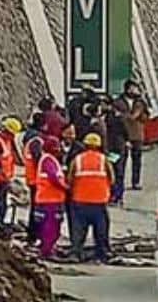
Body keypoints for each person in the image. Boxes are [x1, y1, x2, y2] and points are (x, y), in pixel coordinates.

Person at [68, 133, 114, 264]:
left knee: (78, 228)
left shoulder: (77, 159)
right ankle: (102, 252)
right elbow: (112, 178)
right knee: (101, 229)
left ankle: (76, 252)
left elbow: (70, 179)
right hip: (99, 201)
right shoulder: (103, 159)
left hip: (80, 199)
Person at [33, 136, 68, 259]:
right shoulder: (48, 160)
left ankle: (47, 247)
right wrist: (66, 188)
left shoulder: (48, 159)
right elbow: (53, 177)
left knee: (48, 226)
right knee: (51, 227)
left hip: (48, 198)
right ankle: (47, 250)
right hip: (50, 199)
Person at [118, 81, 150, 192]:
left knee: (137, 159)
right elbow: (120, 116)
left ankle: (136, 181)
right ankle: (119, 182)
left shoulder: (140, 102)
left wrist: (141, 116)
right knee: (122, 159)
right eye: (134, 88)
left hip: (137, 134)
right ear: (128, 89)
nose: (136, 90)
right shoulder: (119, 102)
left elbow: (146, 116)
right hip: (122, 133)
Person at [104, 97, 128, 205]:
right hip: (118, 147)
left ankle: (115, 195)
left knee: (115, 171)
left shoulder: (112, 118)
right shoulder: (119, 118)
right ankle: (117, 195)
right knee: (117, 171)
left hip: (115, 147)